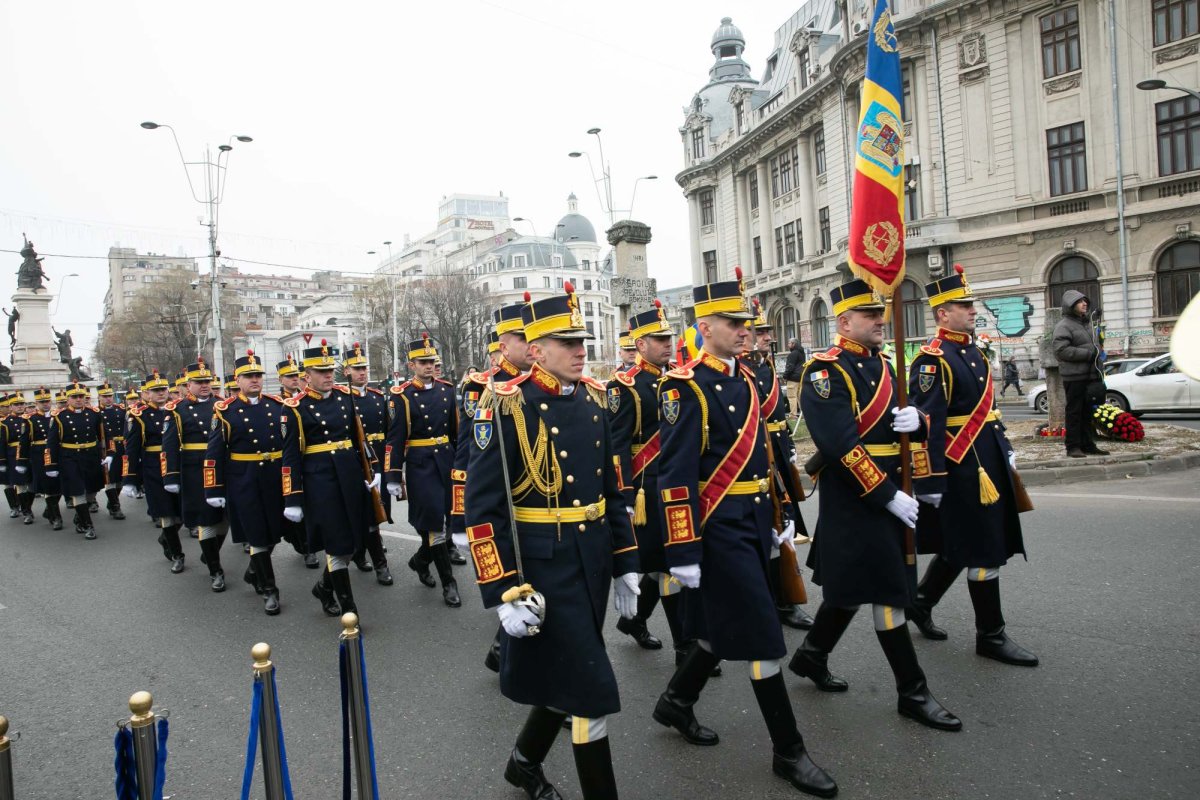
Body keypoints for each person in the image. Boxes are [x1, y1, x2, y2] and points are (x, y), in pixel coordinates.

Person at [653, 269, 836, 798]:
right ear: (705, 327)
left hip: (753, 521)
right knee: (761, 638)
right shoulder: (684, 388)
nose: (744, 330)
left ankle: (676, 700)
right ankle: (789, 751)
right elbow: (676, 475)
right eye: (733, 323)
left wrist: (776, 518)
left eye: (745, 322)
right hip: (717, 530)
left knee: (718, 625)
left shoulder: (749, 379)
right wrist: (683, 548)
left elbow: (759, 460)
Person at [463, 283, 639, 800]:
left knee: (570, 671)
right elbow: (483, 511)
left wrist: (625, 557)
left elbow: (611, 488)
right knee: (590, 690)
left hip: (591, 558)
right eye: (566, 341)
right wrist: (502, 591)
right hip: (543, 567)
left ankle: (523, 763)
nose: (581, 349)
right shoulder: (506, 405)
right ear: (536, 350)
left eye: (582, 339)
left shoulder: (594, 399)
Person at [788, 279, 961, 734]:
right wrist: (888, 495)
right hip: (857, 497)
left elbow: (911, 422)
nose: (881, 320)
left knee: (850, 589)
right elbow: (841, 446)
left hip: (892, 493)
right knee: (889, 594)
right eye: (870, 315)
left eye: (880, 313)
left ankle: (811, 655)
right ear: (844, 322)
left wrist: (918, 423)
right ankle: (913, 692)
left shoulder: (885, 366)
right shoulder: (825, 373)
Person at [906, 266, 1038, 667]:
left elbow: (988, 412)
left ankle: (922, 602)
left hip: (987, 458)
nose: (971, 310)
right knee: (984, 549)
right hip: (962, 467)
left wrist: (1005, 446)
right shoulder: (932, 360)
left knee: (959, 543)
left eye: (970, 303)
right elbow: (928, 422)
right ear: (942, 313)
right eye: (963, 305)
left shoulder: (973, 351)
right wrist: (929, 477)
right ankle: (990, 635)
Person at [450, 307, 530, 672]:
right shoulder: (485, 387)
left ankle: (502, 649)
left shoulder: (541, 383)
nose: (532, 346)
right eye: (524, 338)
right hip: (504, 497)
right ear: (503, 345)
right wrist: (460, 515)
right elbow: (469, 449)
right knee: (517, 574)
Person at [280, 340, 377, 618]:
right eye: (320, 372)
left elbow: (357, 440)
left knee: (355, 540)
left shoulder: (344, 397)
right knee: (336, 543)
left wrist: (370, 471)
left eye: (330, 371)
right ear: (305, 376)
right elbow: (291, 457)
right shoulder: (295, 407)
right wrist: (293, 497)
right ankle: (349, 608)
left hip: (349, 477)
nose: (327, 376)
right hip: (320, 483)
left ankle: (324, 586)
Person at [608, 300, 681, 654]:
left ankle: (634, 620)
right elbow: (617, 446)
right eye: (660, 338)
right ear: (640, 344)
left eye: (670, 337)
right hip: (646, 488)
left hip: (678, 480)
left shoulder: (681, 377)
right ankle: (686, 648)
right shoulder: (626, 386)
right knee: (668, 566)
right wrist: (624, 495)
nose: (669, 343)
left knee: (662, 562)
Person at [747, 301, 815, 632]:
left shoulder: (766, 366)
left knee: (784, 529)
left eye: (767, 332)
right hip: (758, 456)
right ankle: (773, 601)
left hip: (776, 451)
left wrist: (788, 449)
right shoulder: (743, 370)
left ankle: (784, 599)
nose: (766, 337)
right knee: (769, 530)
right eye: (760, 332)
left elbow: (779, 416)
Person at [206, 352, 289, 615]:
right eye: (248, 376)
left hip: (274, 477)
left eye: (258, 376)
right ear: (237, 379)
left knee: (275, 531)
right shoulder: (225, 411)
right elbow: (214, 453)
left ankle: (254, 571)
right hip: (245, 479)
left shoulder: (277, 406)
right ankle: (269, 589)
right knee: (256, 534)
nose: (255, 380)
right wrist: (213, 488)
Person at [385, 334, 461, 607]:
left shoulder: (446, 389)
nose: (429, 366)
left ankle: (419, 561)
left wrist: (463, 464)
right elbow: (393, 439)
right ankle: (448, 584)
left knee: (451, 520)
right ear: (411, 365)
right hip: (421, 465)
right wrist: (393, 474)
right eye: (423, 362)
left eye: (432, 361)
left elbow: (456, 432)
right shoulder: (401, 396)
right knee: (432, 524)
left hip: (446, 461)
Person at [164, 357, 229, 591]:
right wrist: (171, 475)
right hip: (194, 469)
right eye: (198, 381)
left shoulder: (223, 404)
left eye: (207, 381)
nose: (204, 385)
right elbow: (169, 445)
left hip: (223, 466)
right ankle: (215, 569)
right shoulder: (178, 410)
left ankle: (209, 551)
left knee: (224, 521)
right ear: (187, 384)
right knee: (206, 521)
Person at [123, 371, 186, 573]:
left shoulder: (176, 410)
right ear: (147, 393)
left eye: (163, 390)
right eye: (156, 390)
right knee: (166, 513)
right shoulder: (139, 415)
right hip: (154, 468)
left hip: (177, 465)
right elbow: (131, 449)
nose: (161, 393)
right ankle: (177, 554)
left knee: (182, 514)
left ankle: (165, 537)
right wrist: (130, 478)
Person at [343, 342, 393, 586]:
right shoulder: (344, 400)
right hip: (360, 461)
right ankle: (375, 560)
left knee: (381, 507)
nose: (362, 372)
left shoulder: (377, 397)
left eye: (364, 368)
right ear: (347, 372)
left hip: (380, 457)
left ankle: (363, 552)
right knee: (367, 511)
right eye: (357, 368)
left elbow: (388, 430)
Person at [46, 382, 107, 539]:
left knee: (92, 490)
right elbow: (52, 443)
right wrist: (51, 464)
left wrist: (108, 454)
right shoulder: (59, 417)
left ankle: (80, 517)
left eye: (81, 396)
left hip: (91, 455)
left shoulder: (94, 414)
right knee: (78, 491)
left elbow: (103, 436)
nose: (79, 399)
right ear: (68, 399)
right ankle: (88, 526)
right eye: (75, 397)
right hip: (70, 457)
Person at [1052, 290, 1108, 458]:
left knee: (1087, 413)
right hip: (1074, 377)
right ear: (1070, 305)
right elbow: (1061, 350)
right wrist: (1088, 354)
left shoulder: (1087, 324)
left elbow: (1095, 346)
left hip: (1090, 375)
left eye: (1085, 301)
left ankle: (1088, 444)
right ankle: (1073, 447)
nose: (1085, 304)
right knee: (1074, 412)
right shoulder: (1064, 325)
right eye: (1080, 302)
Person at [276, 356, 319, 568]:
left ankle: (308, 547)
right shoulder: (276, 403)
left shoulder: (306, 400)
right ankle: (297, 540)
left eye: (297, 375)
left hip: (308, 462)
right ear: (280, 379)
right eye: (289, 376)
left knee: (308, 508)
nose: (295, 379)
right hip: (282, 462)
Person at [26, 387, 64, 530]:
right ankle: (56, 517)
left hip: (57, 453)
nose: (45, 404)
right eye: (42, 402)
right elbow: (25, 442)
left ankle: (49, 511)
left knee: (59, 485)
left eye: (47, 401)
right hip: (39, 455)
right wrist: (22, 460)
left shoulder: (58, 416)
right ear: (37, 403)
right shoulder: (31, 419)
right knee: (48, 487)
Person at [97, 383, 127, 520]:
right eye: (105, 396)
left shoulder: (120, 409)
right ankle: (115, 506)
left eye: (110, 396)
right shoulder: (96, 412)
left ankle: (112, 502)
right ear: (99, 397)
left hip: (121, 446)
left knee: (120, 477)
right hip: (106, 448)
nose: (108, 399)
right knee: (109, 478)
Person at [2, 394, 32, 522]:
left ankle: (26, 506)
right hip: (13, 455)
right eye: (16, 405)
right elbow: (2, 444)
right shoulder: (5, 423)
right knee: (17, 483)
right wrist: (2, 461)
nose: (20, 407)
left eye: (22, 404)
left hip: (30, 454)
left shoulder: (30, 419)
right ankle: (24, 511)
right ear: (11, 407)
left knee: (32, 484)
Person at [782, 337, 807, 417]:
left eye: (789, 343)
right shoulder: (802, 353)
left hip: (793, 378)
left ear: (793, 344)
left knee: (792, 396)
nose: (788, 345)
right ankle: (804, 414)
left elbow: (790, 367)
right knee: (800, 397)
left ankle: (793, 414)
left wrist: (785, 376)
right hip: (801, 377)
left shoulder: (792, 354)